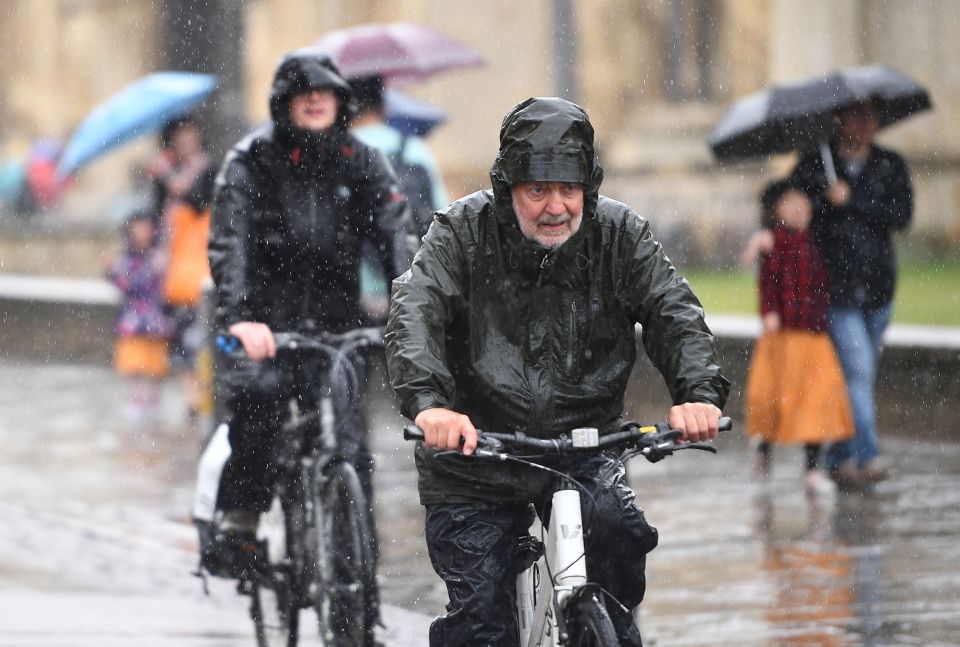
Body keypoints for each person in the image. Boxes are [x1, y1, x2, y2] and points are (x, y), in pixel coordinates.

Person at [385, 96, 730, 646]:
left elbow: (674, 313)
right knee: (480, 621)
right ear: (508, 190)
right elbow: (414, 314)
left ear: (587, 190)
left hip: (585, 448)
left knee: (616, 550)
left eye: (569, 189)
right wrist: (431, 406)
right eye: (537, 190)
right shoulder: (459, 234)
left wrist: (699, 394)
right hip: (476, 456)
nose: (555, 206)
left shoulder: (621, 235)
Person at [198, 49, 413, 563]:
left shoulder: (360, 161)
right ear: (284, 103)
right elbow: (232, 247)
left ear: (342, 101)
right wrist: (240, 319)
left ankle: (357, 573)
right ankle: (241, 517)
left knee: (350, 439)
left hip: (339, 321)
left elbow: (397, 235)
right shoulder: (250, 162)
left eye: (327, 92)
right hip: (266, 320)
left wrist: (410, 308)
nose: (316, 100)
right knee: (258, 405)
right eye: (304, 92)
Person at [789, 100, 913, 486]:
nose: (864, 124)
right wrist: (824, 201)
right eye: (856, 115)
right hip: (836, 288)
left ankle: (840, 456)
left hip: (878, 287)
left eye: (870, 116)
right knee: (857, 370)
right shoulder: (815, 162)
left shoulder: (889, 163)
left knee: (856, 376)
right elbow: (791, 209)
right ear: (839, 118)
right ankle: (868, 456)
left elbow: (901, 216)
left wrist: (853, 200)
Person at [744, 180, 853, 493]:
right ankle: (763, 451)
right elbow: (768, 283)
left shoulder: (817, 242)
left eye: (804, 207)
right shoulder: (774, 243)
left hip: (813, 335)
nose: (799, 212)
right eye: (792, 206)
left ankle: (812, 470)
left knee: (815, 404)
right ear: (779, 211)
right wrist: (770, 313)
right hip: (784, 338)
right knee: (774, 400)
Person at [348, 73, 450, 321]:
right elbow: (443, 215)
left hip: (353, 291)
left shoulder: (338, 152)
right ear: (384, 106)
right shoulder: (414, 149)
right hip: (409, 284)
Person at [154, 117, 216, 421]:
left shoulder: (209, 170)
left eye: (190, 135)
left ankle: (203, 397)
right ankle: (193, 398)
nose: (185, 142)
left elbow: (200, 202)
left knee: (201, 342)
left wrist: (170, 180)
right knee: (179, 345)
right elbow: (155, 218)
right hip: (173, 275)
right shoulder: (166, 177)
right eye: (179, 137)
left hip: (200, 272)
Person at [106, 210, 171, 422]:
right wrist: (110, 271)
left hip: (155, 320)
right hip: (133, 320)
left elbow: (162, 286)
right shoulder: (125, 259)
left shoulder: (159, 256)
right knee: (134, 364)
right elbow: (125, 285)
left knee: (155, 365)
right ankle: (136, 401)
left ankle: (152, 402)